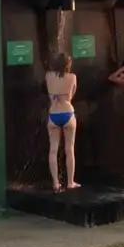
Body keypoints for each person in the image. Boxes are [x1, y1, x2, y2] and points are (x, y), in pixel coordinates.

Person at [45, 53, 78, 192]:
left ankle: (55, 183)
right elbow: (72, 94)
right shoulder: (72, 77)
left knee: (53, 150)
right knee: (69, 149)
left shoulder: (48, 76)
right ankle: (70, 182)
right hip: (68, 113)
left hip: (53, 114)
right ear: (68, 64)